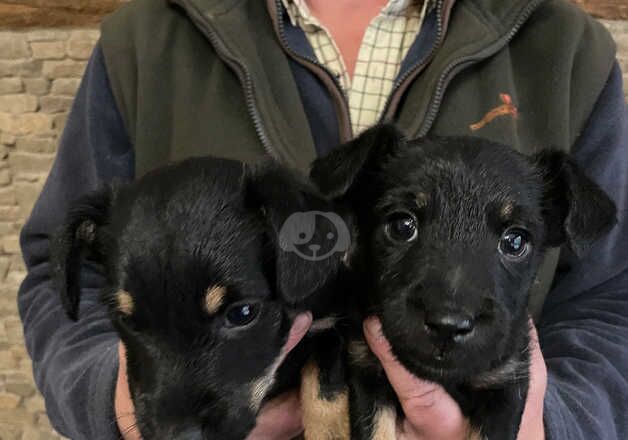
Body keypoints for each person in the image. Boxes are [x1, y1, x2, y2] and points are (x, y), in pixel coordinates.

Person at [18, 0, 628, 439]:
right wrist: (108, 396)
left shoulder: (568, 46)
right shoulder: (145, 37)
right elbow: (63, 275)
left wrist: (558, 423)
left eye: (516, 237)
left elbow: (611, 295)